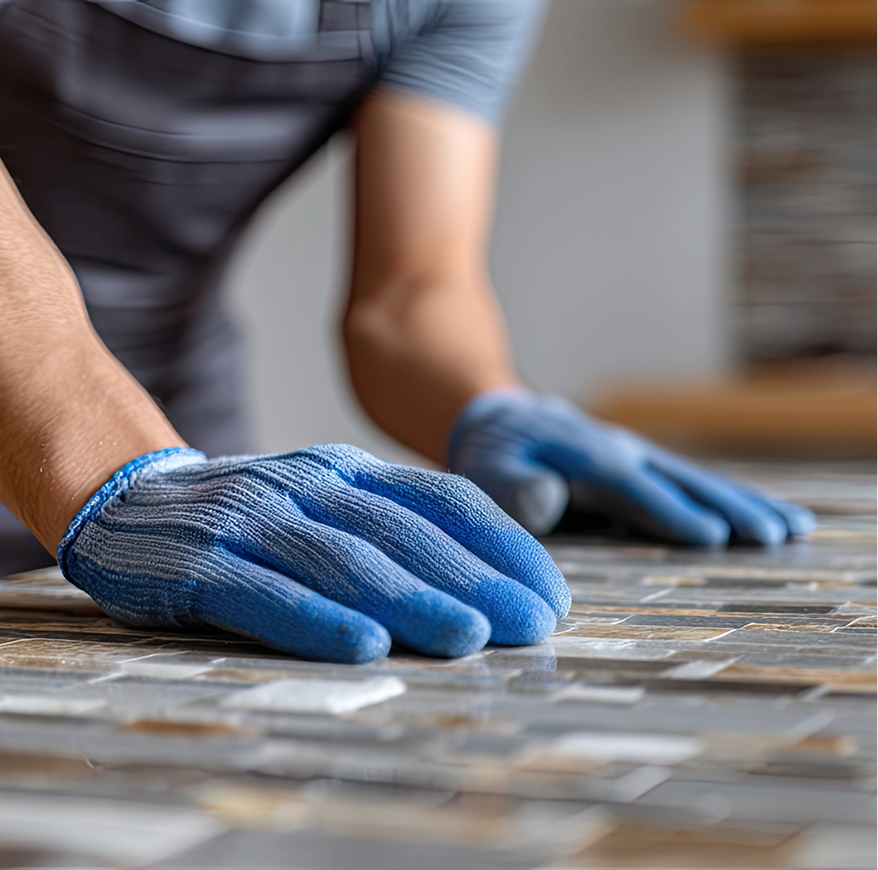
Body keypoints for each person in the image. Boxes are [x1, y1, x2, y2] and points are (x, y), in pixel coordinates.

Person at [0, 0, 814, 663]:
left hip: (179, 447)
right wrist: (101, 458)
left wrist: (489, 406)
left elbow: (410, 297)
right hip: (106, 443)